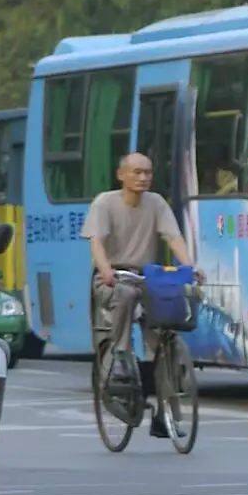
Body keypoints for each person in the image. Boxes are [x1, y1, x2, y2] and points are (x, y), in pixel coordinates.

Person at [83, 152, 201, 438]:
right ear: (121, 174)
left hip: (147, 276)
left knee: (166, 331)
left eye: (147, 172)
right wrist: (106, 269)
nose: (143, 177)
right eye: (136, 172)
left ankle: (165, 412)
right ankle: (121, 355)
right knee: (122, 294)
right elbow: (97, 242)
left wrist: (188, 267)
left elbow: (172, 237)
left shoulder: (156, 203)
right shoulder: (104, 203)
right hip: (114, 277)